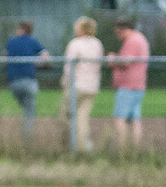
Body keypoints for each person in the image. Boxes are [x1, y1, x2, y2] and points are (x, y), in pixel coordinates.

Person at [61, 18, 103, 152]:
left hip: (76, 84)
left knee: (66, 114)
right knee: (83, 117)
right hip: (92, 85)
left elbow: (69, 67)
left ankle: (72, 144)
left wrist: (65, 82)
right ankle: (82, 146)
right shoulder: (97, 44)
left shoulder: (75, 43)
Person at [108, 17, 149, 150]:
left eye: (118, 33)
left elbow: (125, 62)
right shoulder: (141, 39)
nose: (118, 36)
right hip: (138, 85)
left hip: (128, 86)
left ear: (124, 30)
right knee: (135, 120)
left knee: (120, 119)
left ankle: (122, 150)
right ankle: (134, 150)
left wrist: (113, 59)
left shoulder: (132, 41)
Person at [4, 22, 49, 137]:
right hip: (29, 81)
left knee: (25, 107)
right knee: (29, 110)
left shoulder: (11, 41)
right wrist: (38, 64)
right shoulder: (32, 41)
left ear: (22, 29)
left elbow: (4, 57)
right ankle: (27, 136)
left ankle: (22, 132)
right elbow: (46, 57)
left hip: (14, 82)